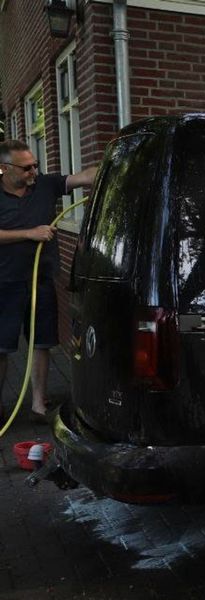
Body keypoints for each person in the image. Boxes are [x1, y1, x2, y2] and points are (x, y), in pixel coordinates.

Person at [0, 140, 96, 423]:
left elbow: (85, 176)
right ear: (4, 169)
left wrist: (117, 159)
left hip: (41, 280)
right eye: (27, 167)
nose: (34, 171)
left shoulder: (44, 185)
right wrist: (29, 233)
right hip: (4, 282)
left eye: (35, 165)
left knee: (41, 343)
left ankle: (39, 402)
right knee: (2, 347)